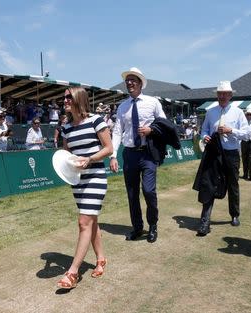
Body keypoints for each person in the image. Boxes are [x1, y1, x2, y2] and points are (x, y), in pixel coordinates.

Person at [56, 87, 113, 289]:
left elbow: (109, 148)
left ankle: (73, 272)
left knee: (83, 222)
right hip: (78, 181)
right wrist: (68, 167)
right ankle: (101, 258)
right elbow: (67, 154)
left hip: (95, 177)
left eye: (68, 97)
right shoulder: (66, 128)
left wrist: (89, 159)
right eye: (63, 97)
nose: (64, 100)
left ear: (79, 98)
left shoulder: (96, 120)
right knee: (91, 221)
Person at [110, 67, 166, 243]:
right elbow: (117, 132)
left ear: (141, 83)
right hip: (130, 154)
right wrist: (112, 156)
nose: (129, 83)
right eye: (127, 80)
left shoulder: (153, 102)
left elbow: (164, 124)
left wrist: (151, 130)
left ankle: (153, 226)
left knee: (149, 191)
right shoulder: (123, 106)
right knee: (132, 194)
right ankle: (137, 227)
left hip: (148, 154)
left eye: (133, 80)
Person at [194, 81, 250, 236]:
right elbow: (204, 129)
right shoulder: (211, 112)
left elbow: (247, 134)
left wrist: (230, 130)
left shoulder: (238, 112)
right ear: (217, 95)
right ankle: (205, 221)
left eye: (225, 93)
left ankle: (234, 214)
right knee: (209, 184)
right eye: (220, 93)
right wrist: (205, 136)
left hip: (231, 153)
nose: (222, 96)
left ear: (231, 95)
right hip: (214, 152)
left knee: (232, 184)